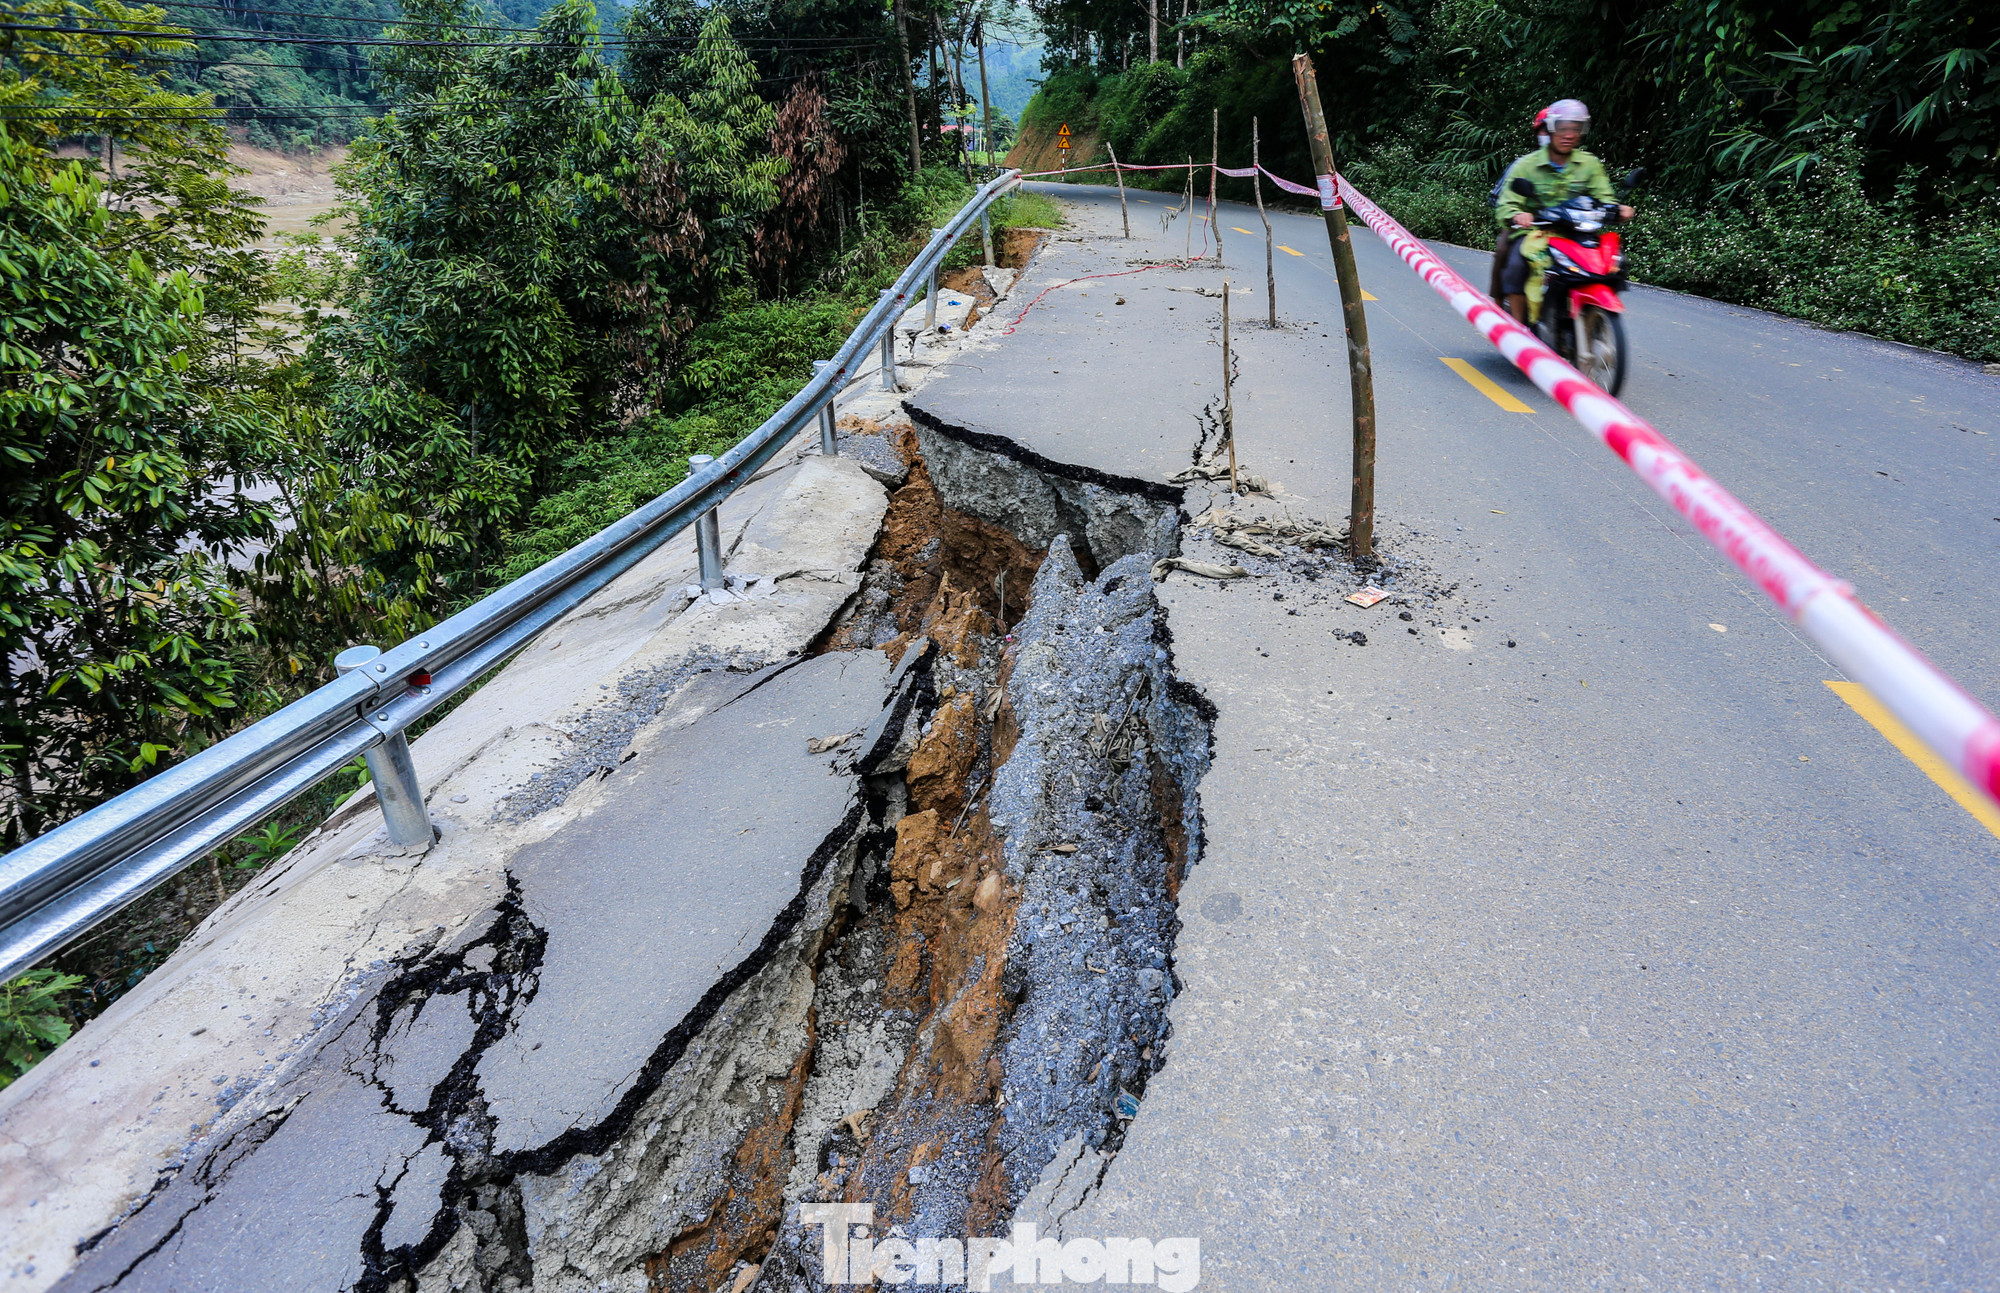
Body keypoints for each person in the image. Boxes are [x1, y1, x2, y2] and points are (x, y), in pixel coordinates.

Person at [1492, 99, 1634, 324]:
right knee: (1516, 267)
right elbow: (1507, 204)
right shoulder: (1525, 165)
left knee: (1611, 266)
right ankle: (1520, 331)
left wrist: (1618, 209)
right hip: (1536, 234)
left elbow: (1604, 198)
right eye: (1563, 128)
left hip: (1577, 233)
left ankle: (1591, 317)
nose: (1569, 134)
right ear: (1550, 129)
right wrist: (1518, 214)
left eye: (1575, 128)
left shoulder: (1589, 164)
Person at [1488, 107, 1551, 302]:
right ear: (1537, 133)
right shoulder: (1523, 165)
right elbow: (1497, 197)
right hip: (1527, 226)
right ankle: (1498, 305)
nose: (1550, 136)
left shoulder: (1578, 166)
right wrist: (1517, 214)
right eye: (1545, 130)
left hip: (1564, 227)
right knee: (1504, 252)